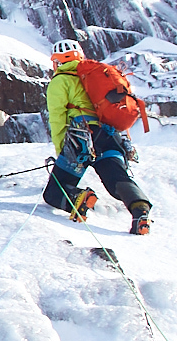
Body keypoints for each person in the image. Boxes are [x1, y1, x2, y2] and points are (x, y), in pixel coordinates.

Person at [42, 39, 153, 234]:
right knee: (116, 179)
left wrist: (61, 149)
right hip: (109, 135)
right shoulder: (94, 75)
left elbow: (58, 118)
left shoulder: (59, 81)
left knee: (54, 192)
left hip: (81, 136)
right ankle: (139, 209)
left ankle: (78, 198)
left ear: (57, 61)